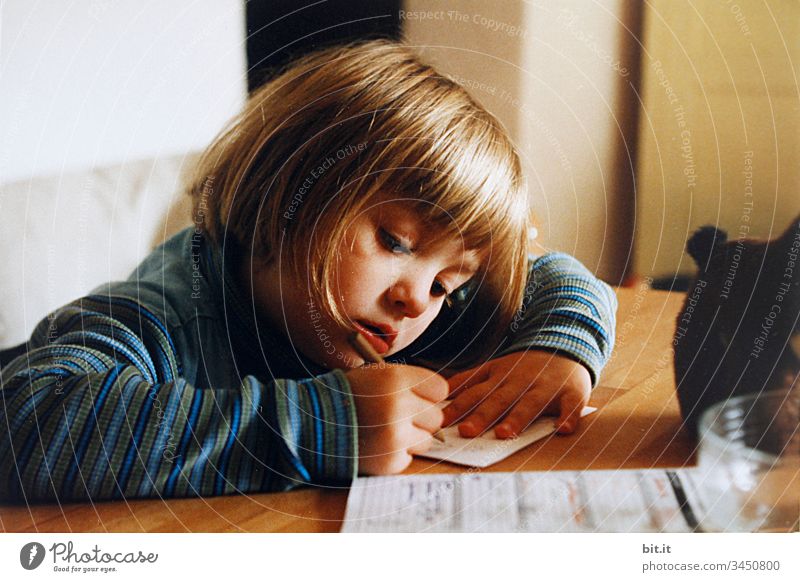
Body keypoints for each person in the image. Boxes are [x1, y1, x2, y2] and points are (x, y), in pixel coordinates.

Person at [0, 40, 616, 501]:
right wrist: (315, 425)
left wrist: (559, 344)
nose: (415, 303)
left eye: (443, 286)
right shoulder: (162, 318)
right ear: (284, 188)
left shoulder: (389, 310)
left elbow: (551, 274)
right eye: (396, 242)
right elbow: (23, 425)